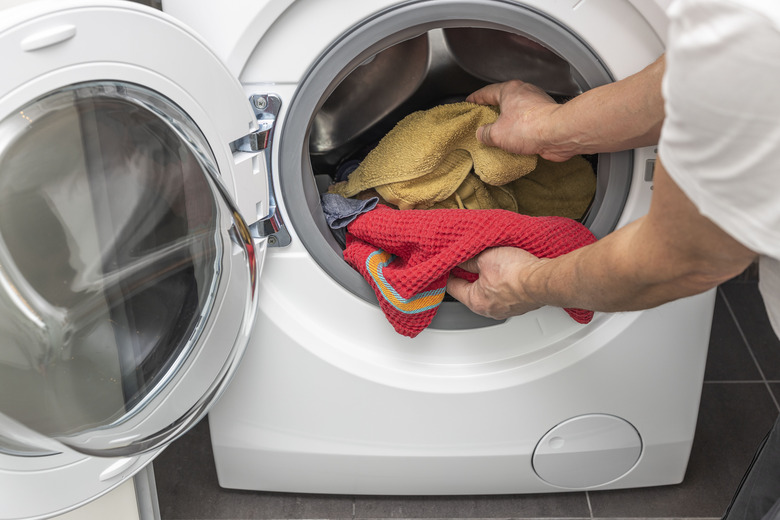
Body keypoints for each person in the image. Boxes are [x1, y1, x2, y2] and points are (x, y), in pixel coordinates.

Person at [445, 1, 780, 518]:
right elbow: (692, 74)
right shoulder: (735, 26)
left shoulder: (752, 30)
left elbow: (679, 260)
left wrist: (524, 283)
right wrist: (549, 131)